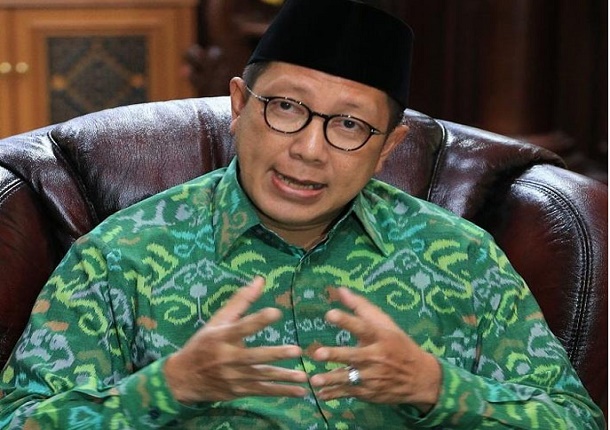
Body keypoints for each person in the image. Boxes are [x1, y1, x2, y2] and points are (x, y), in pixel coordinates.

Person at [0, 0, 604, 428]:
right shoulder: (122, 255)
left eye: (350, 125)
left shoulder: (461, 258)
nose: (310, 150)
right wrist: (168, 386)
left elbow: (573, 418)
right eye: (286, 108)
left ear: (388, 147)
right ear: (239, 105)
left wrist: (437, 387)